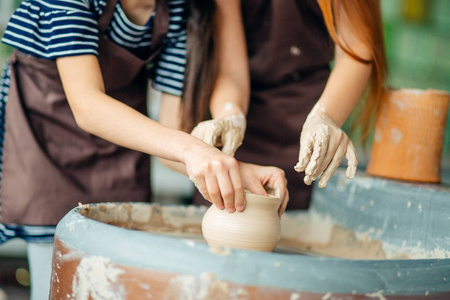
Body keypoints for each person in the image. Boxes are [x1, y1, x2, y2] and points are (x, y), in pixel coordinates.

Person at [0, 0, 288, 299]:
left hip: (122, 135)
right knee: (61, 270)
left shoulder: (178, 9)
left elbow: (171, 144)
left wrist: (235, 170)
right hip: (48, 131)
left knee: (116, 266)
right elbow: (87, 106)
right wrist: (192, 149)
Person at [186, 0, 387, 210]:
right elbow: (231, 70)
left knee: (298, 218)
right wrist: (229, 114)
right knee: (225, 206)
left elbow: (354, 46)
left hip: (305, 126)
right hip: (241, 136)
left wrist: (326, 117)